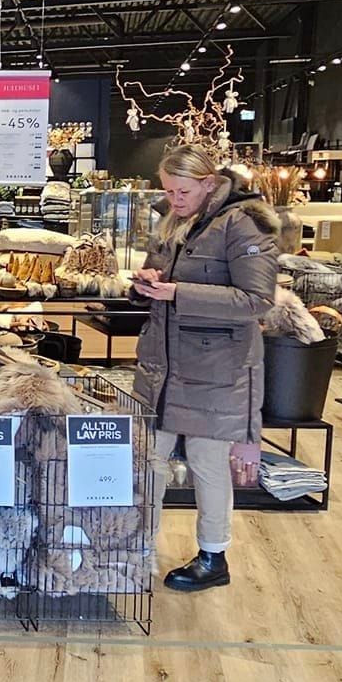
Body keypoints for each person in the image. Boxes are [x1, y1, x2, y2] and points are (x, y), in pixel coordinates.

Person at [130, 145, 276, 592]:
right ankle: (138, 548)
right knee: (148, 459)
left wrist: (179, 293)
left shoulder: (242, 224)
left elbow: (257, 300)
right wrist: (146, 283)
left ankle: (213, 557)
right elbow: (159, 276)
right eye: (168, 191)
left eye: (183, 191)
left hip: (216, 368)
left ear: (209, 183)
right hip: (162, 363)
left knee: (207, 462)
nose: (174, 199)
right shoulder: (172, 220)